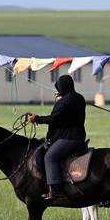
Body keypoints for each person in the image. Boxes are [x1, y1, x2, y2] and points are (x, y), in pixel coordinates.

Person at [27, 74, 87, 202]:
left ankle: (56, 191)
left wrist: (37, 119)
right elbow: (63, 115)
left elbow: (54, 119)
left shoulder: (65, 101)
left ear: (62, 87)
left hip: (69, 137)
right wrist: (61, 99)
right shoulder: (79, 98)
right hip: (79, 135)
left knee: (50, 157)